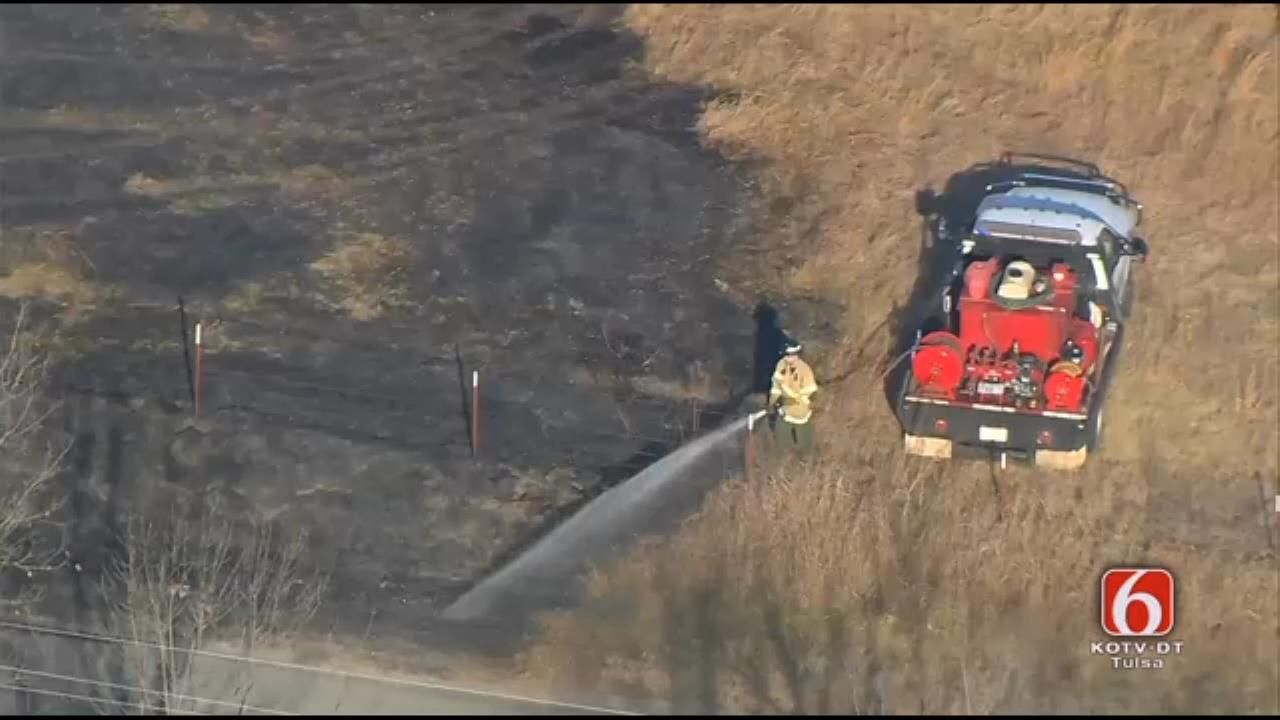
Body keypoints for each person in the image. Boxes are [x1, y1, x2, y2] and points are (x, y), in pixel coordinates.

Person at [768, 339, 819, 452]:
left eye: (789, 356)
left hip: (801, 414)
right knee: (782, 443)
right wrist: (771, 404)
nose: (786, 358)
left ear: (796, 355)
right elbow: (776, 387)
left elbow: (810, 395)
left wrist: (793, 401)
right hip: (784, 412)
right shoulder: (781, 365)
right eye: (785, 356)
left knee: (805, 446)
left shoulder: (805, 371)